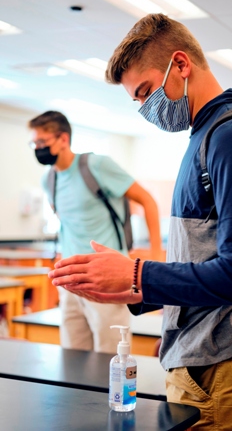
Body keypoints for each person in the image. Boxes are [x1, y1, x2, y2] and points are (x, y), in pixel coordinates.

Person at [48, 14, 232, 430]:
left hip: (230, 368)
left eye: (145, 92)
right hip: (206, 363)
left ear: (180, 65)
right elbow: (203, 261)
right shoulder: (208, 134)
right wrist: (129, 288)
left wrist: (139, 274)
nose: (146, 108)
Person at [29, 110, 162, 354]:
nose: (38, 148)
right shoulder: (48, 180)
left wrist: (154, 258)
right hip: (70, 282)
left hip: (106, 279)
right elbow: (67, 223)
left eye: (42, 142)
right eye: (34, 143)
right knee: (72, 358)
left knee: (110, 359)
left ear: (63, 139)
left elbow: (148, 201)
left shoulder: (96, 165)